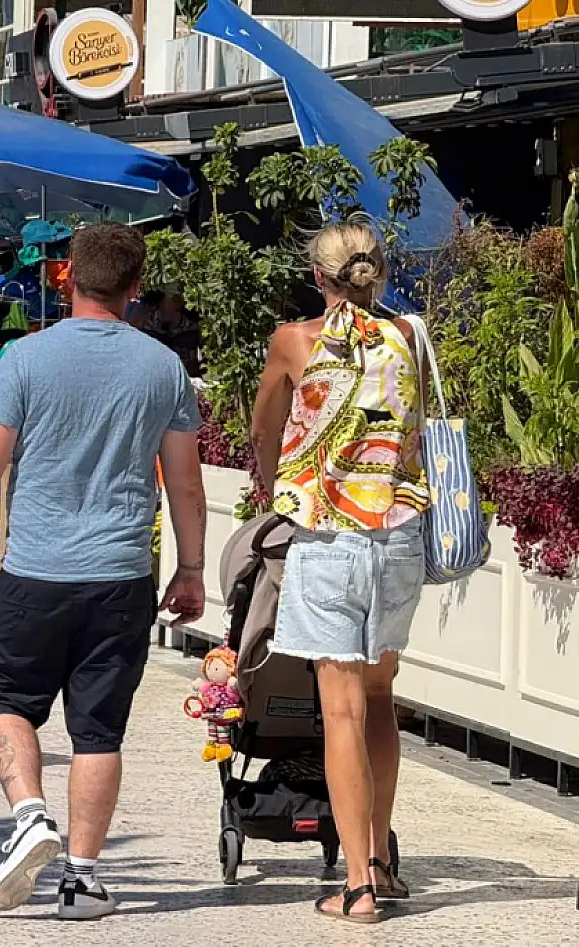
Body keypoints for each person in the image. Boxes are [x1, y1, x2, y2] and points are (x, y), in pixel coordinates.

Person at [0, 223, 207, 921]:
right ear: (136, 288)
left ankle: (28, 814)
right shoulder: (162, 367)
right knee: (98, 730)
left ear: (66, 276)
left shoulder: (25, 359)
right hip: (121, 577)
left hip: (37, 571)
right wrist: (191, 567)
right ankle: (82, 878)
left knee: (7, 700)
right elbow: (185, 481)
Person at [249, 221, 426, 924]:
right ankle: (381, 859)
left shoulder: (295, 341)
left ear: (317, 277)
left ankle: (354, 885)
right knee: (381, 697)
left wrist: (273, 484)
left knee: (342, 709)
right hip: (400, 535)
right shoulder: (409, 336)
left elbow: (265, 427)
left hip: (330, 537)